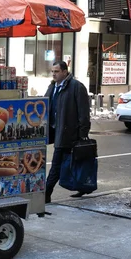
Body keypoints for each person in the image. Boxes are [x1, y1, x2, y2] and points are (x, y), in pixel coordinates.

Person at [44, 60, 91, 203]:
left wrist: (82, 134)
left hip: (68, 133)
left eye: (57, 71)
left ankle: (46, 192)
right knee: (74, 163)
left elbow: (84, 113)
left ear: (65, 72)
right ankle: (84, 186)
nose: (54, 74)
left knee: (57, 164)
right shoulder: (52, 87)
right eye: (52, 71)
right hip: (54, 130)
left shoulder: (76, 87)